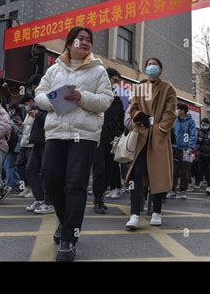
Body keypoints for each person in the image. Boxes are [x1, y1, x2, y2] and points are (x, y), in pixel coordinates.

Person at [36, 26, 113, 261]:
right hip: (56, 133)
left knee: (76, 185)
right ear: (70, 43)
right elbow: (39, 94)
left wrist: (82, 97)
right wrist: (54, 99)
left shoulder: (99, 71)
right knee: (50, 181)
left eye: (89, 40)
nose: (85, 42)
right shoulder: (54, 69)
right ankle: (65, 220)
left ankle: (69, 237)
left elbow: (106, 100)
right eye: (80, 39)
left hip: (84, 135)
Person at [124, 57, 177, 230]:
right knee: (136, 173)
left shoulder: (167, 87)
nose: (151, 67)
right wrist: (139, 116)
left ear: (160, 69)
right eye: (149, 65)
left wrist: (161, 129)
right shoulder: (140, 87)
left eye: (154, 65)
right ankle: (134, 214)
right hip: (141, 134)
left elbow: (171, 112)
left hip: (158, 136)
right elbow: (132, 107)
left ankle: (157, 211)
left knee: (158, 173)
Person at [92, 67, 125, 214]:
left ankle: (102, 196)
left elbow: (121, 121)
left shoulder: (117, 101)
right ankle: (98, 199)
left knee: (109, 170)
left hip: (112, 141)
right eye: (114, 80)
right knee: (99, 170)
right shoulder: (96, 96)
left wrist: (119, 136)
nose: (116, 84)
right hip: (97, 138)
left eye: (118, 81)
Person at [23, 79, 55, 214]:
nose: (34, 90)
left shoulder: (52, 96)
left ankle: (50, 202)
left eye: (35, 87)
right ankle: (40, 198)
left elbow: (55, 115)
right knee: (31, 169)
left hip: (48, 139)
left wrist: (38, 114)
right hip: (37, 139)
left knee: (48, 172)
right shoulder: (39, 100)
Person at [168, 102, 196, 199]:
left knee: (185, 171)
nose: (177, 110)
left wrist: (190, 147)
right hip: (175, 148)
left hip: (186, 149)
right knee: (174, 170)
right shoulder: (175, 120)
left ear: (183, 111)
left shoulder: (190, 122)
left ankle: (183, 190)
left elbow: (193, 135)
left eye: (178, 109)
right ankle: (172, 189)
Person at [16, 94, 35, 197]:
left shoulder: (37, 111)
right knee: (19, 164)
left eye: (26, 103)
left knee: (30, 167)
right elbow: (27, 127)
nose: (25, 105)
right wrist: (21, 125)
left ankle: (33, 188)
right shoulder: (28, 113)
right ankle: (27, 186)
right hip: (24, 143)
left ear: (32, 101)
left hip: (31, 144)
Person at [3, 104, 22, 192]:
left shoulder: (15, 119)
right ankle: (17, 182)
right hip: (15, 146)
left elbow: (16, 132)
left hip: (14, 146)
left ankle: (10, 184)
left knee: (8, 166)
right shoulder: (16, 118)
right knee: (10, 166)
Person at [197, 118, 210, 196]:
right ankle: (201, 181)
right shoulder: (200, 131)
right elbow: (197, 141)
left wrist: (205, 139)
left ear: (208, 124)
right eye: (202, 124)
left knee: (209, 171)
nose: (203, 126)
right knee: (200, 170)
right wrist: (199, 140)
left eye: (205, 124)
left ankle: (209, 186)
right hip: (202, 154)